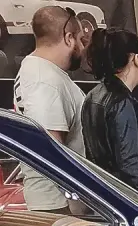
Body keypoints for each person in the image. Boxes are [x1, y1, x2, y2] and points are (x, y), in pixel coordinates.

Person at [12, 6, 87, 212]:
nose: (83, 47)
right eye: (81, 40)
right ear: (69, 38)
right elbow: (49, 150)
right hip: (58, 205)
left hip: (58, 202)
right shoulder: (44, 80)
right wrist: (71, 206)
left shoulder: (38, 70)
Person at [81, 28, 138, 197]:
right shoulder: (122, 103)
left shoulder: (92, 97)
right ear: (136, 59)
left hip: (106, 196)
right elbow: (131, 167)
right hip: (133, 202)